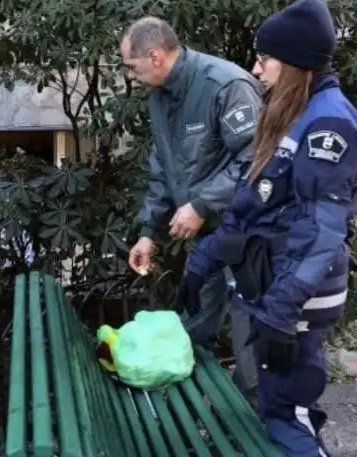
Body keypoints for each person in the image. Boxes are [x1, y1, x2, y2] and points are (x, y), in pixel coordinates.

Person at [178, 0, 357, 455]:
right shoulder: (292, 111)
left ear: (294, 62)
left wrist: (280, 310)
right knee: (281, 407)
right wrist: (203, 261)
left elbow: (322, 232)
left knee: (284, 411)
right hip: (277, 285)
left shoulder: (328, 121)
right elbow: (253, 205)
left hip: (298, 293)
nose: (255, 68)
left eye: (265, 58)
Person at [120, 17, 261, 397]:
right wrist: (148, 233)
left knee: (250, 328)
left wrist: (200, 204)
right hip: (208, 237)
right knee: (195, 313)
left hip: (246, 230)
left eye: (131, 66)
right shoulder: (159, 97)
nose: (129, 75)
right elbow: (164, 169)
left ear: (155, 56)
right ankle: (193, 404)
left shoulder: (226, 85)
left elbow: (254, 162)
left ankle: (256, 425)